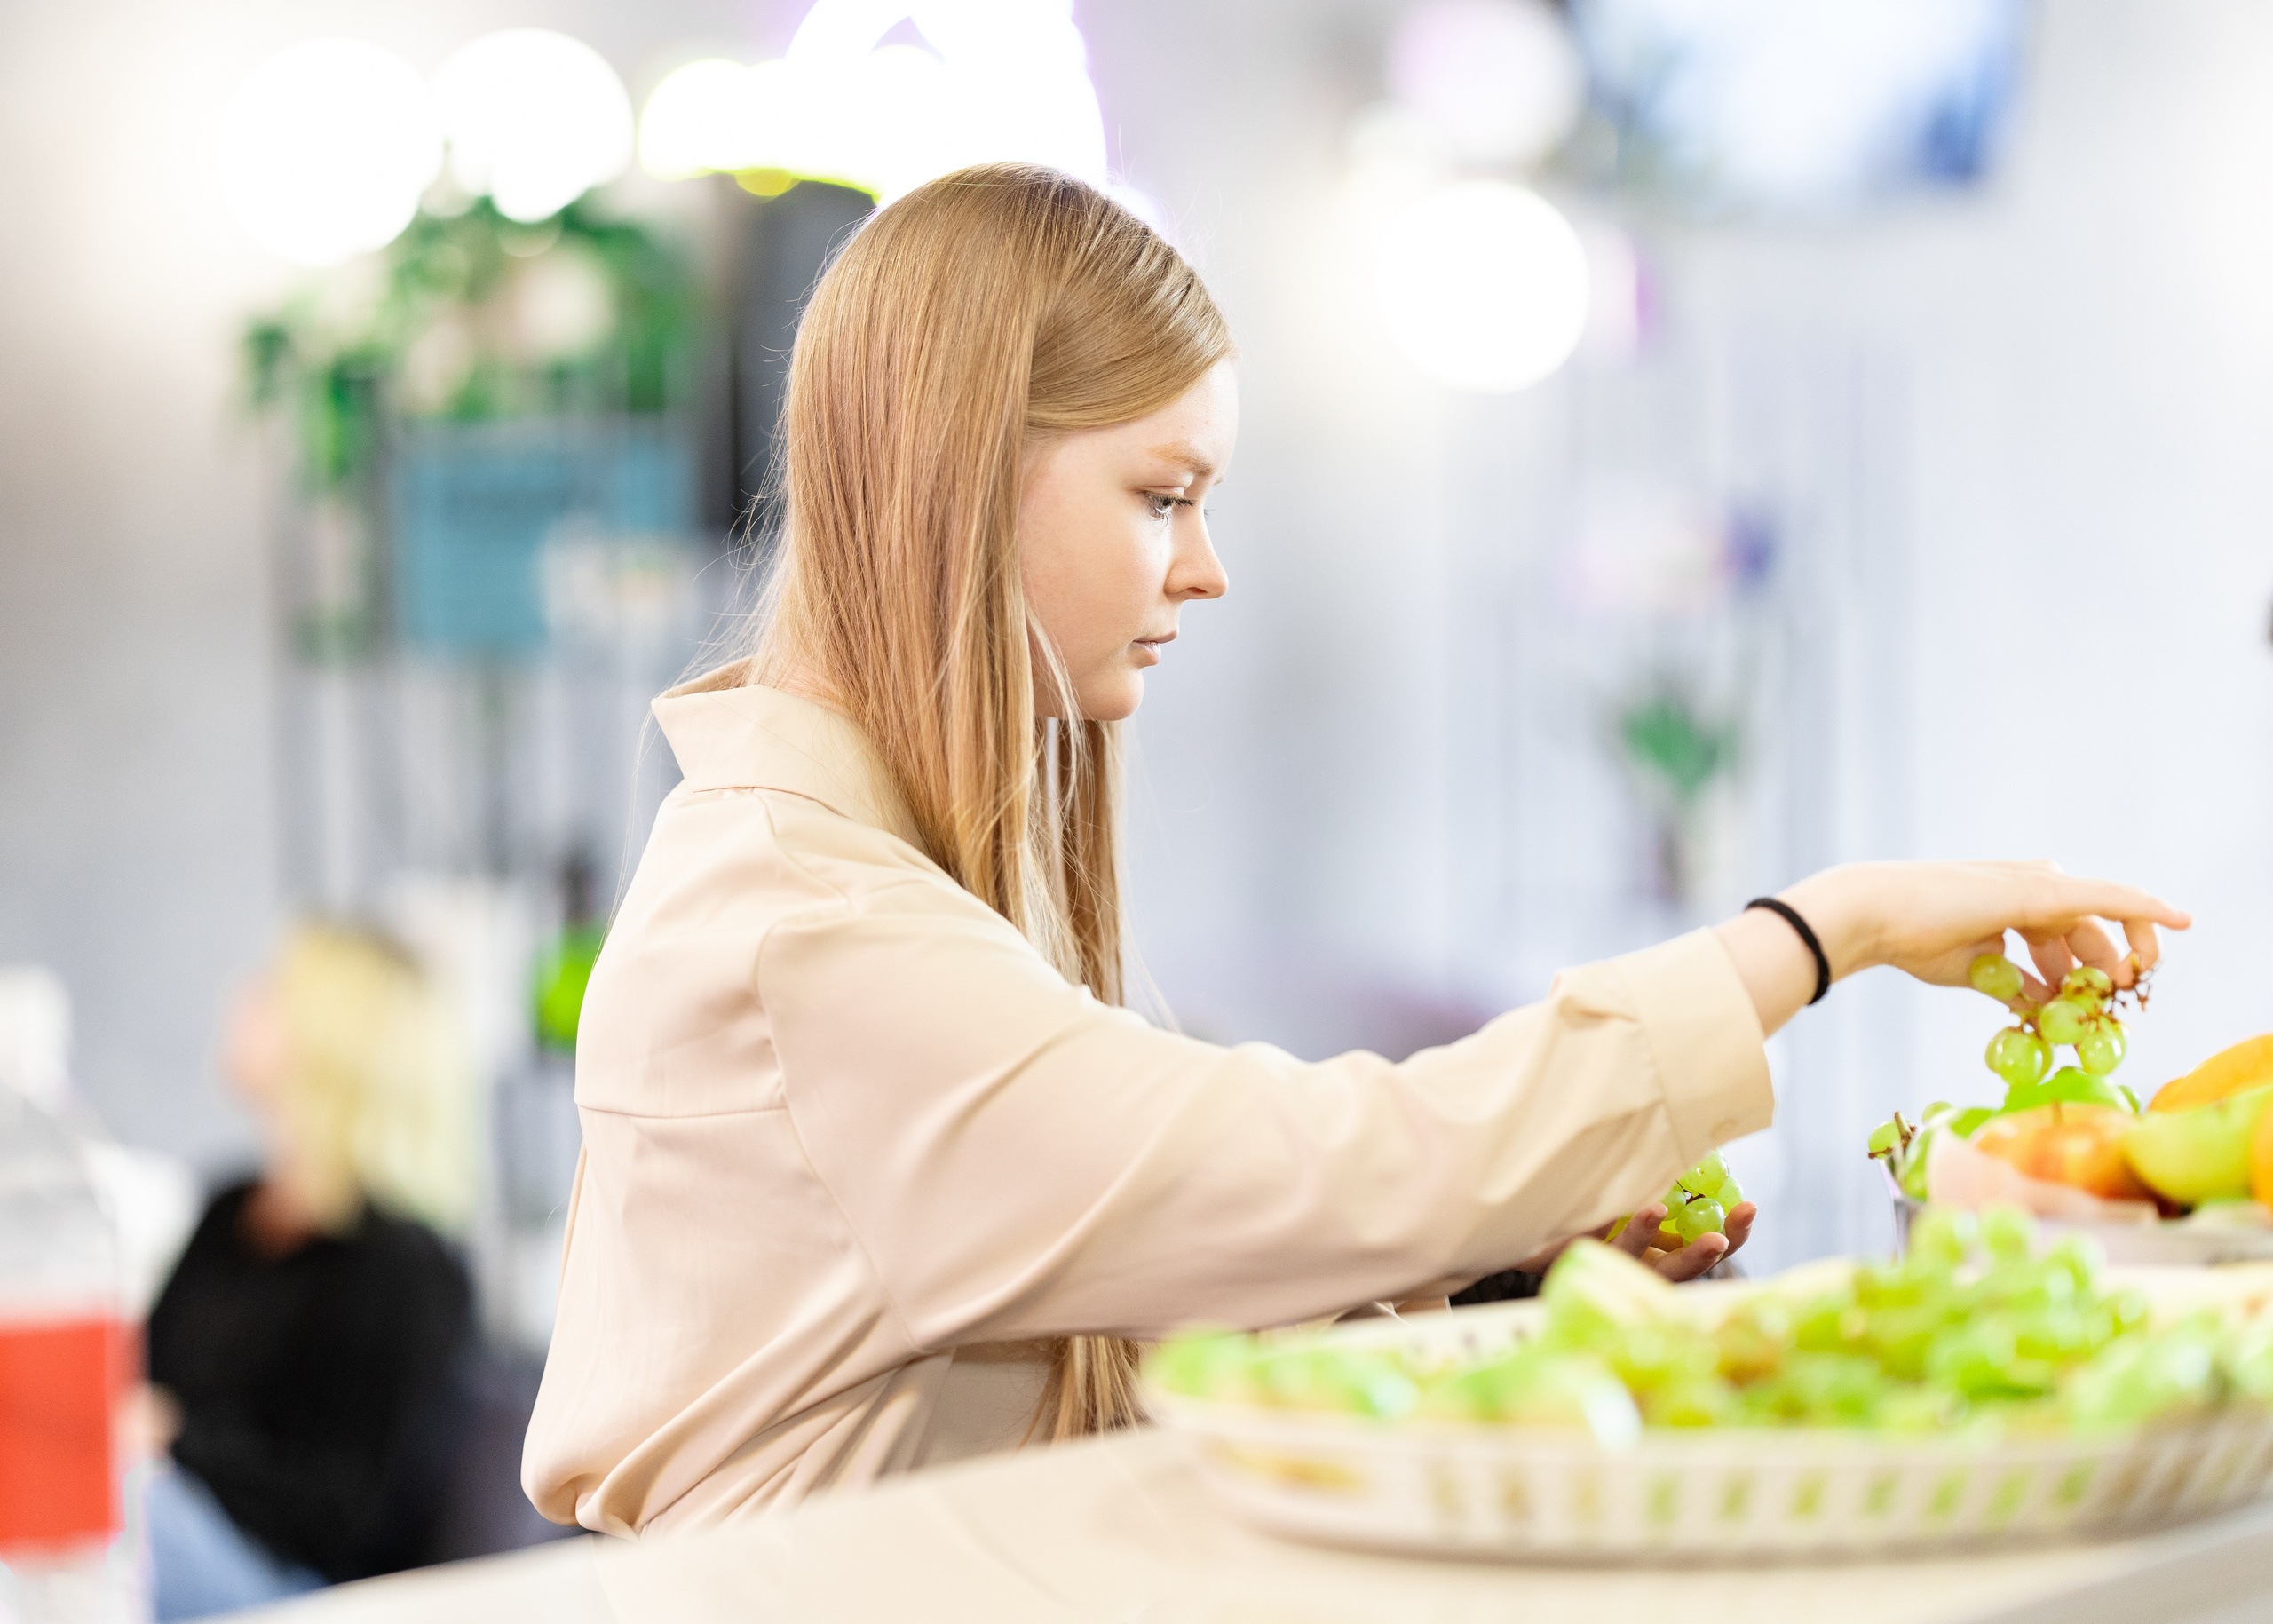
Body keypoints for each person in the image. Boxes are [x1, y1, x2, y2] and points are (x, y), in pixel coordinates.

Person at [522, 163, 2188, 1538]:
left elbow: (1122, 1305)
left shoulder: (862, 882)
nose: (1206, 569)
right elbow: (1323, 1154)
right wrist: (1827, 928)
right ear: (964, 478)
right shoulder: (797, 929)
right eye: (1162, 494)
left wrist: (1497, 1273)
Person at [142, 922, 476, 1620]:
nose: (239, 996)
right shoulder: (229, 1210)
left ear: (330, 1040)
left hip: (298, 1582)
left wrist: (173, 1437)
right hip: (179, 1528)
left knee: (113, 1512)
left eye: (270, 989)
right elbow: (138, 1380)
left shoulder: (403, 1270)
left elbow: (340, 1511)